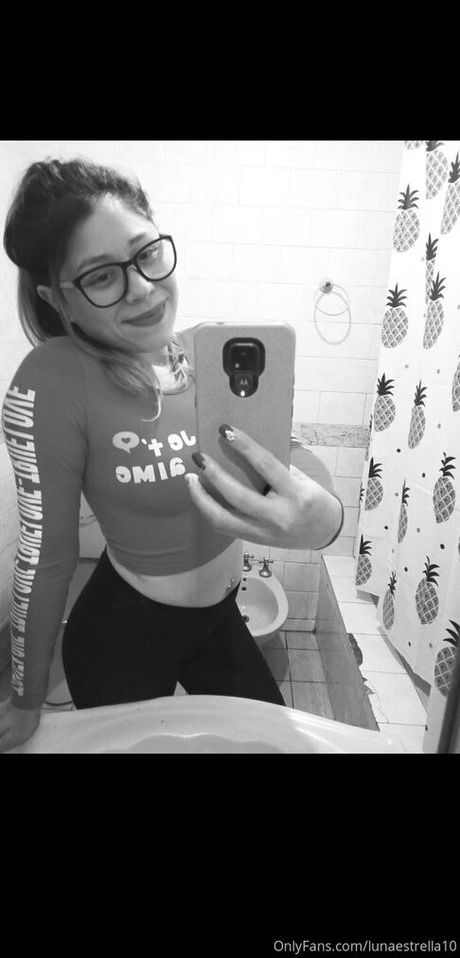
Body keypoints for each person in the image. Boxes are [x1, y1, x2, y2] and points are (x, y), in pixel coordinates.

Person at [0, 157, 344, 753]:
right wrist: (27, 697)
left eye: (146, 253)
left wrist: (328, 518)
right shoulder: (52, 382)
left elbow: (285, 456)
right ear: (59, 299)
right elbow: (45, 557)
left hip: (220, 619)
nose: (142, 288)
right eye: (101, 277)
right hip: (123, 637)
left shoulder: (198, 354)